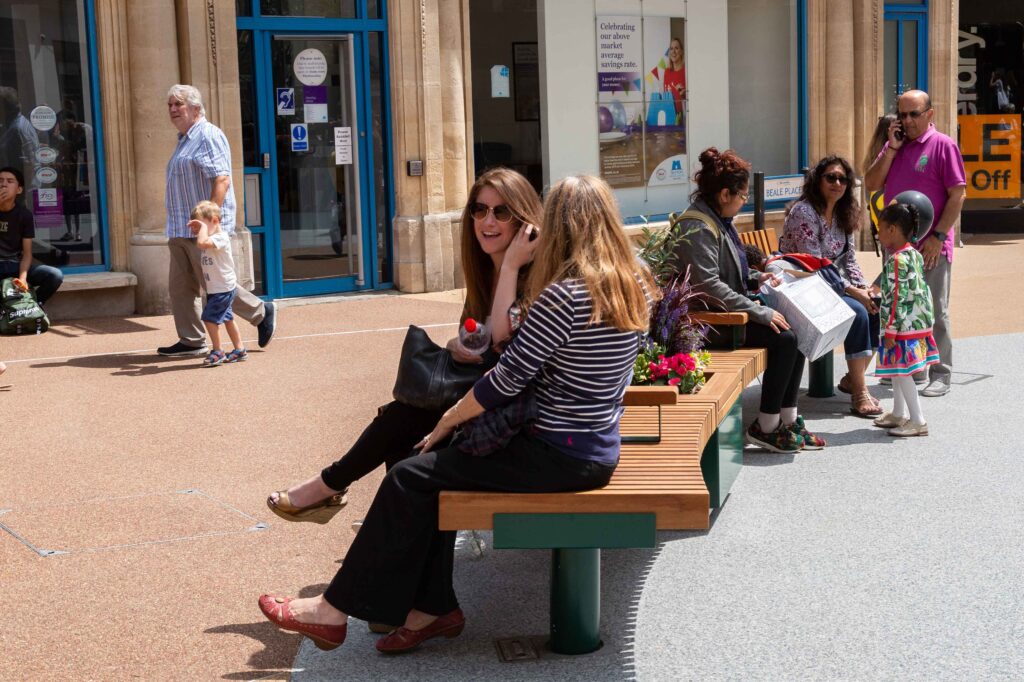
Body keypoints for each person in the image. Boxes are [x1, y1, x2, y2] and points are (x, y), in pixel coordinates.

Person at [257, 174, 655, 653]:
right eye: (480, 211)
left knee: (408, 475)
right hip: (594, 449)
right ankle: (427, 606)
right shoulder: (636, 287)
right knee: (415, 463)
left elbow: (507, 376)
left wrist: (449, 420)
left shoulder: (563, 297)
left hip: (555, 451)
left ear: (561, 227)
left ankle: (334, 609)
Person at [265, 167, 543, 525]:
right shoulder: (484, 271)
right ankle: (390, 537)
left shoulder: (530, 278)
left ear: (523, 221)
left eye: (501, 212)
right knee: (403, 430)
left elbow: (506, 349)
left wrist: (510, 268)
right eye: (479, 209)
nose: (487, 221)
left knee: (403, 421)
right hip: (479, 402)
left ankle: (333, 489)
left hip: (515, 422)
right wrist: (456, 345)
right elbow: (479, 339)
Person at [672, 148, 823, 454]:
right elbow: (708, 286)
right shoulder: (698, 226)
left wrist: (757, 279)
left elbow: (726, 275)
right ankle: (765, 426)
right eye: (742, 196)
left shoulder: (718, 219)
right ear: (725, 194)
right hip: (709, 324)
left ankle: (786, 420)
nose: (743, 203)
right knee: (785, 338)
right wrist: (759, 312)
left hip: (729, 314)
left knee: (796, 329)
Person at [160, 84, 276, 357]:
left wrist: (210, 223)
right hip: (179, 225)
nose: (173, 109)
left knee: (216, 285)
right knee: (180, 288)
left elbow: (222, 179)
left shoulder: (208, 135)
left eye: (179, 104)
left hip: (202, 228)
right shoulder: (184, 139)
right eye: (170, 105)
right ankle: (191, 339)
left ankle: (261, 311)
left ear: (196, 108)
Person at [864, 89, 966, 398]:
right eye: (902, 115)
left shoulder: (943, 146)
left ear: (929, 114)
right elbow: (870, 184)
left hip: (931, 246)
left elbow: (957, 194)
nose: (907, 121)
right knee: (899, 308)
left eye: (914, 114)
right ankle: (912, 368)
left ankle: (941, 372)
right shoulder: (895, 147)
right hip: (897, 247)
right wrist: (891, 149)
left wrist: (938, 236)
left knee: (934, 309)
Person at [779, 155, 882, 418]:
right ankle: (860, 392)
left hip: (831, 285)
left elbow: (849, 258)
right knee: (857, 312)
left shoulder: (842, 213)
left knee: (875, 306)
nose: (837, 183)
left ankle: (852, 378)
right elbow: (813, 264)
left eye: (843, 179)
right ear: (818, 180)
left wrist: (864, 288)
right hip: (802, 285)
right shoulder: (804, 212)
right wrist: (853, 291)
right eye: (831, 177)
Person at [872, 202, 939, 437]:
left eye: (880, 229)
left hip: (902, 328)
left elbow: (897, 298)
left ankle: (918, 420)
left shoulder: (896, 261)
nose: (878, 234)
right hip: (915, 324)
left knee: (903, 373)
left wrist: (891, 330)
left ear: (892, 229)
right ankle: (899, 413)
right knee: (898, 370)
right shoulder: (913, 255)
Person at [187, 201, 246, 366]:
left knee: (208, 318)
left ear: (214, 221)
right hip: (217, 288)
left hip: (223, 288)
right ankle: (239, 349)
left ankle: (218, 351)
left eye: (200, 225)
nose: (198, 231)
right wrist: (202, 228)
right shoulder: (212, 237)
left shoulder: (221, 237)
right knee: (227, 318)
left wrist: (203, 230)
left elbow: (201, 243)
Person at [0, 167, 63, 304]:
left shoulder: (24, 215)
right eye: (0, 180)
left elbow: (27, 254)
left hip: (14, 266)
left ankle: (32, 307)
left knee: (54, 275)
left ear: (19, 190)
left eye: (10, 181)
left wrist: (22, 278)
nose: (3, 184)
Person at [0, 88, 38, 186]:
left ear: (6, 108)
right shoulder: (13, 126)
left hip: (21, 189)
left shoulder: (18, 129)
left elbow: (29, 163)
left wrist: (20, 192)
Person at [662, 37, 686, 123]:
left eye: (676, 48)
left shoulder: (686, 72)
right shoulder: (667, 72)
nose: (673, 52)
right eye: (671, 49)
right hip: (669, 118)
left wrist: (684, 94)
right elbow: (665, 96)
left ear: (681, 51)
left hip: (684, 118)